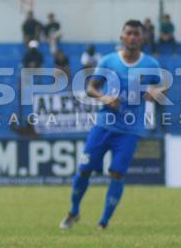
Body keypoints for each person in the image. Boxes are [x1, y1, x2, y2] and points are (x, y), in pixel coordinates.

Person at [60, 20, 163, 230]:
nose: (133, 37)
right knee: (84, 170)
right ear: (122, 37)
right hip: (103, 126)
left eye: (137, 34)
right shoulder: (108, 61)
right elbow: (91, 87)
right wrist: (105, 98)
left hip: (130, 130)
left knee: (117, 173)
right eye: (129, 33)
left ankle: (103, 222)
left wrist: (155, 93)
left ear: (142, 38)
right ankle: (73, 211)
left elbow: (160, 89)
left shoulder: (151, 64)